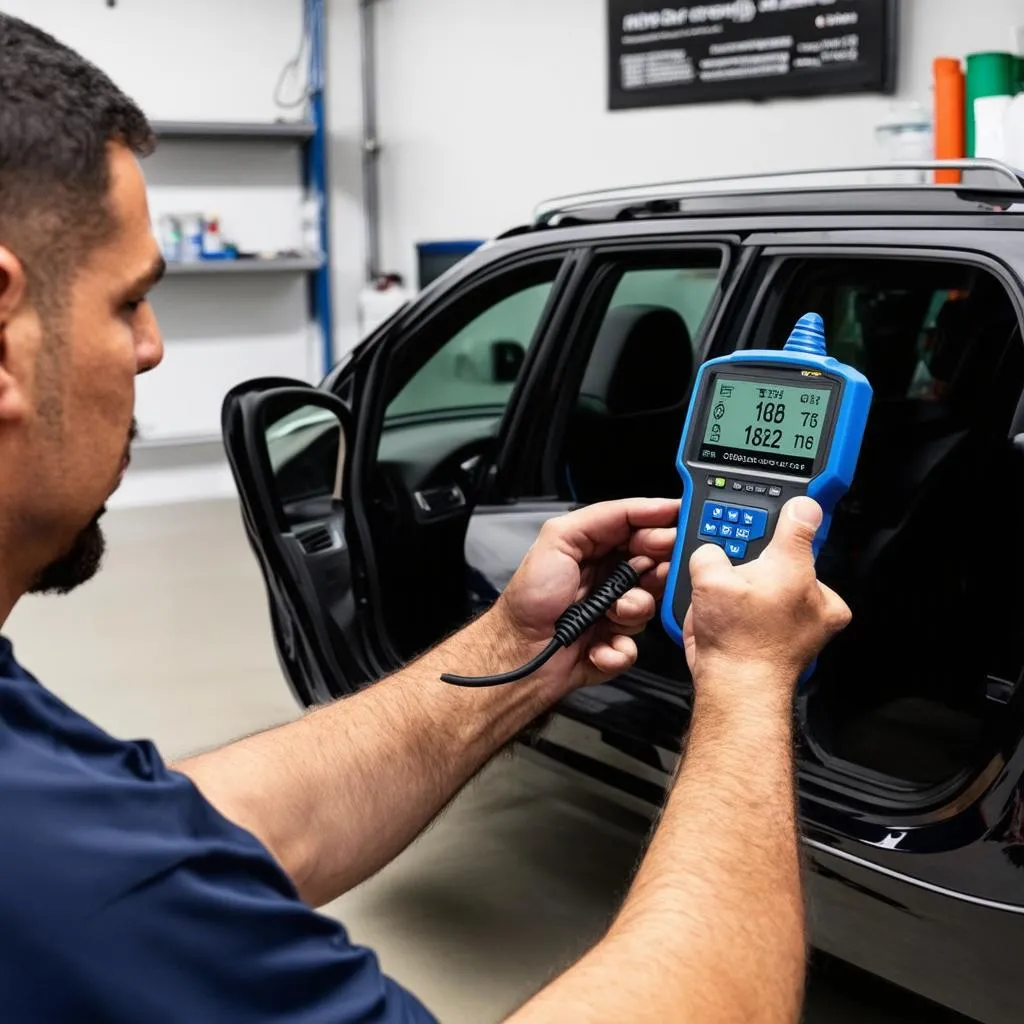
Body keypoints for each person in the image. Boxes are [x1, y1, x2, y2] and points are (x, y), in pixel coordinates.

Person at [0, 14, 851, 1024]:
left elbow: (190, 833)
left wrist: (525, 647)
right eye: (128, 301)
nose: (151, 350)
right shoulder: (52, 878)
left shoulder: (48, 803)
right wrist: (749, 680)